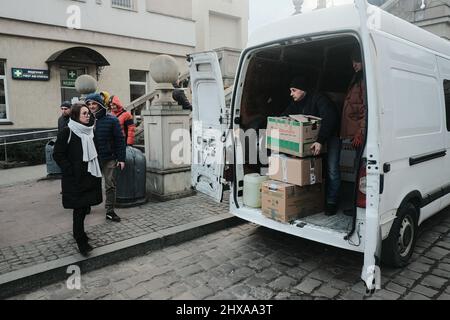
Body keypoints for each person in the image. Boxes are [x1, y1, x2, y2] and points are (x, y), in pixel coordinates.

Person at [281, 76, 341, 216]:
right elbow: (284, 115)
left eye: (294, 90)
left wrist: (320, 140)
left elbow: (330, 119)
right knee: (315, 168)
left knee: (332, 169)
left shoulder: (319, 99)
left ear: (303, 90)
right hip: (314, 139)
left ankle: (332, 202)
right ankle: (315, 200)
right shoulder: (296, 102)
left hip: (331, 135)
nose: (291, 94)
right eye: (291, 90)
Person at [53, 103, 102, 256]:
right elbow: (57, 154)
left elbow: (96, 151)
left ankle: (80, 234)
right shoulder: (67, 132)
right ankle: (80, 240)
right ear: (75, 116)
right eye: (84, 113)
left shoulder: (89, 131)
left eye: (88, 113)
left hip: (88, 176)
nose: (88, 116)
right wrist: (70, 170)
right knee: (79, 209)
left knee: (84, 207)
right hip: (75, 178)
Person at [85, 93, 126, 223]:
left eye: (94, 104)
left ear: (100, 104)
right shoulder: (86, 120)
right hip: (92, 159)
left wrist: (121, 159)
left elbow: (120, 140)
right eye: (89, 104)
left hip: (109, 158)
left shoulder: (112, 120)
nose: (91, 106)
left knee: (110, 185)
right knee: (90, 184)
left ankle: (109, 211)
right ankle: (86, 206)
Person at [341, 48, 366, 149]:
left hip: (359, 135)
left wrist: (361, 132)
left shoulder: (365, 80)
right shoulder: (356, 79)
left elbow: (367, 108)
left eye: (357, 61)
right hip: (352, 133)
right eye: (353, 62)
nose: (354, 65)